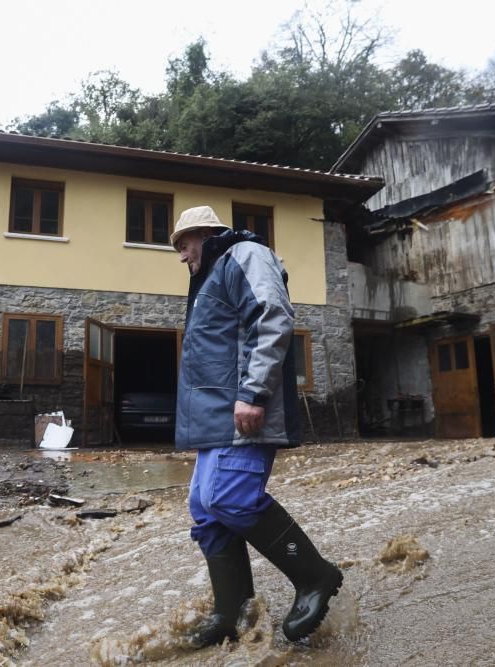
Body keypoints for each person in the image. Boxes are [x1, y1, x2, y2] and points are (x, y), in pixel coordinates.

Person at [171, 205, 342, 647]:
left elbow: (272, 316)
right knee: (206, 509)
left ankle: (314, 576)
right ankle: (234, 611)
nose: (180, 255)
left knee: (231, 496)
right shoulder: (211, 275)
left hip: (242, 407)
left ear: (205, 234)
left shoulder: (244, 254)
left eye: (183, 244)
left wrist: (254, 393)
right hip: (216, 418)